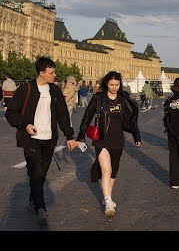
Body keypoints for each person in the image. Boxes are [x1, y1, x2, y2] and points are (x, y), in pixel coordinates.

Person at [5, 57, 77, 225]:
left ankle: (33, 199)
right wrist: (25, 125)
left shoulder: (55, 91)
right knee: (36, 173)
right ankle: (41, 207)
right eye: (51, 72)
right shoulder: (26, 89)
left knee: (41, 173)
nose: (54, 75)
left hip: (49, 139)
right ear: (41, 73)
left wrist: (70, 136)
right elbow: (11, 113)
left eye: (54, 71)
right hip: (31, 140)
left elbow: (62, 116)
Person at [77, 71, 141, 217]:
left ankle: (108, 197)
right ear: (106, 84)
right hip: (101, 139)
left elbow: (132, 120)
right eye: (111, 85)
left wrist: (137, 136)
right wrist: (81, 135)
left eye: (117, 85)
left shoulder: (123, 99)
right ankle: (107, 201)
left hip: (118, 139)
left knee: (113, 171)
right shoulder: (99, 98)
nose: (114, 87)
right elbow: (87, 117)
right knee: (106, 170)